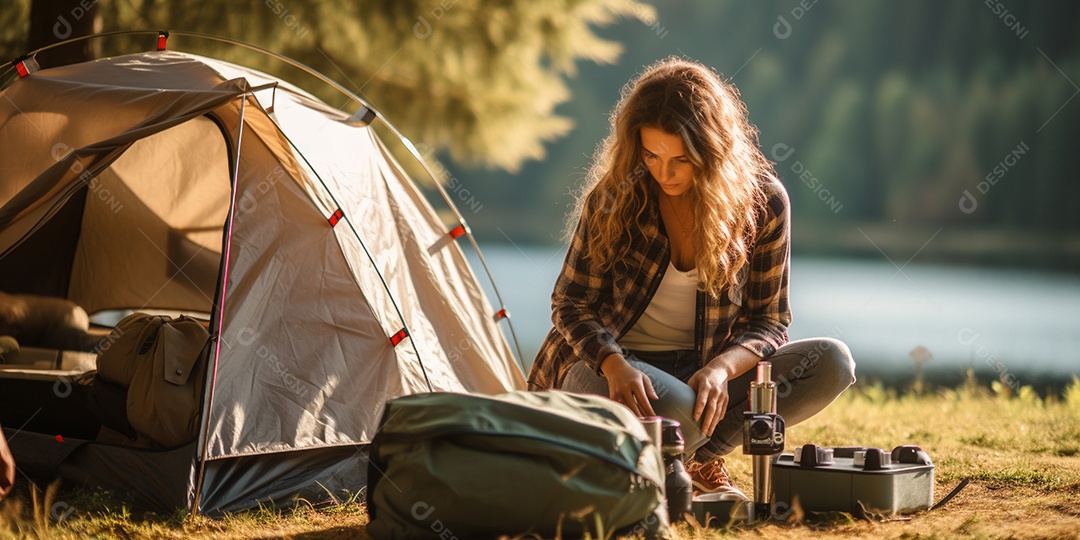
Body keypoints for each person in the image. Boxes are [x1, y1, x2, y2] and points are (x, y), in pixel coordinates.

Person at [527, 57, 856, 496]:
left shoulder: (764, 204)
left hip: (701, 371)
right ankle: (677, 457)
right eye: (651, 156)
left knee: (831, 364)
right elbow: (570, 302)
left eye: (681, 160)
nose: (663, 174)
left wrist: (720, 370)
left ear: (713, 150)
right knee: (682, 409)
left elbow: (770, 322)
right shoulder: (615, 198)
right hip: (606, 366)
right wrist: (614, 364)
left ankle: (689, 460)